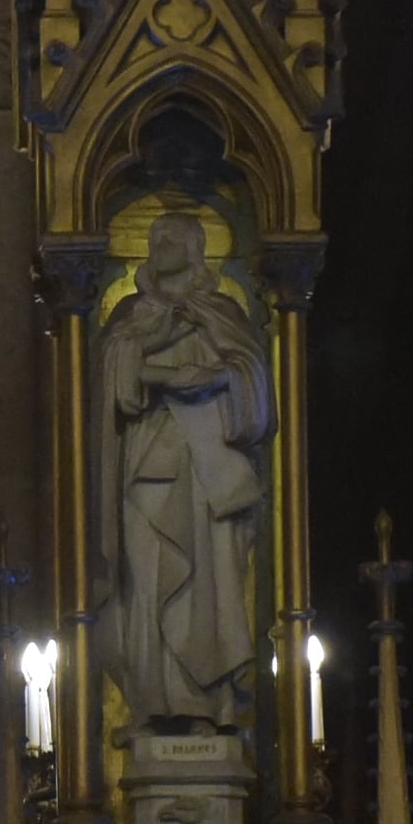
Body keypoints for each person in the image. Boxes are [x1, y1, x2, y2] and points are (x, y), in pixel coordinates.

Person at [95, 212, 275, 736]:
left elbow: (253, 385)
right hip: (148, 471)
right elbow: (113, 377)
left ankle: (211, 706)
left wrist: (215, 376)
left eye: (171, 238)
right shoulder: (133, 316)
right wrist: (163, 364)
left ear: (196, 247)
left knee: (210, 584)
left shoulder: (221, 313)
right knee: (148, 583)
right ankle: (152, 705)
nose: (159, 244)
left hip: (207, 475)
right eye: (154, 238)